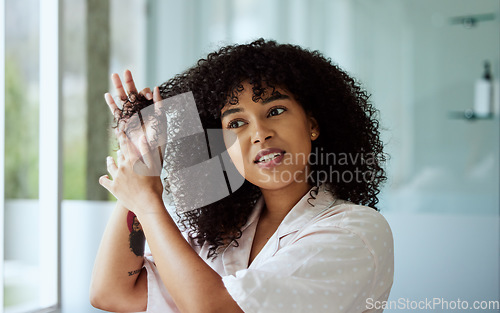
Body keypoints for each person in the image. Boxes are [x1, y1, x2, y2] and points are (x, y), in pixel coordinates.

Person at [90, 39, 394, 313]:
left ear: (312, 124)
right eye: (236, 123)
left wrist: (147, 203)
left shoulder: (355, 231)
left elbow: (216, 309)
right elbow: (112, 293)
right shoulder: (221, 233)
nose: (260, 134)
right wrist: (142, 163)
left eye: (275, 111)